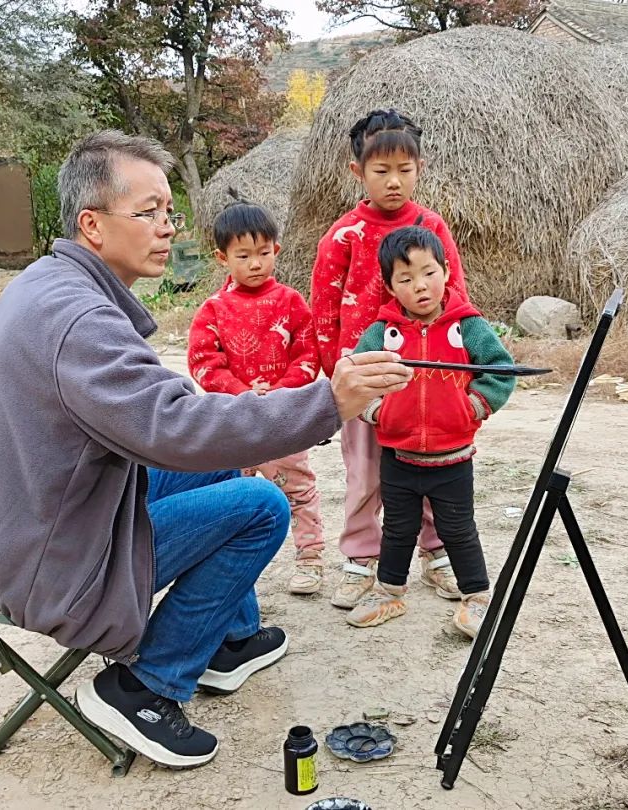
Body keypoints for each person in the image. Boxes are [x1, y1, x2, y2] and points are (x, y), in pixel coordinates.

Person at [0, 130, 412, 770]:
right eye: (148, 212)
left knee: (220, 462)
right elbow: (174, 426)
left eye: (169, 211)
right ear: (93, 224)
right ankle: (142, 686)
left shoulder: (49, 283)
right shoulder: (78, 319)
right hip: (52, 560)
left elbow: (156, 415)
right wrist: (328, 402)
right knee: (263, 505)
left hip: (26, 522)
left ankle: (227, 640)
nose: (167, 227)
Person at [309, 108, 470, 610]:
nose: (394, 182)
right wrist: (338, 372)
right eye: (381, 172)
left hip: (424, 376)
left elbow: (457, 293)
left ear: (419, 167)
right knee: (365, 471)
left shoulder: (431, 227)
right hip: (364, 378)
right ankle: (361, 556)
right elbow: (324, 307)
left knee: (426, 465)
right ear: (358, 172)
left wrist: (458, 364)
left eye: (405, 170)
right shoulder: (343, 236)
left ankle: (436, 550)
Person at [345, 224, 516, 638]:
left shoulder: (468, 325)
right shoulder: (383, 333)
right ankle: (388, 591)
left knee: (458, 528)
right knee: (399, 528)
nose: (420, 286)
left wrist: (472, 407)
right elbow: (355, 373)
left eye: (429, 273)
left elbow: (500, 370)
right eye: (405, 279)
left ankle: (477, 597)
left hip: (452, 458)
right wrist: (378, 411)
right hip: (399, 456)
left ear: (446, 272)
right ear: (390, 285)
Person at [187, 193, 325, 595]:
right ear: (222, 257)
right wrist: (245, 393)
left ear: (276, 250)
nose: (255, 263)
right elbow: (202, 363)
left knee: (298, 488)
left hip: (284, 420)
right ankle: (242, 570)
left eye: (263, 253)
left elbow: (307, 353)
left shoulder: (291, 303)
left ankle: (311, 559)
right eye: (244, 255)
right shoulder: (213, 310)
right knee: (236, 494)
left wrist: (280, 391)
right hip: (236, 423)